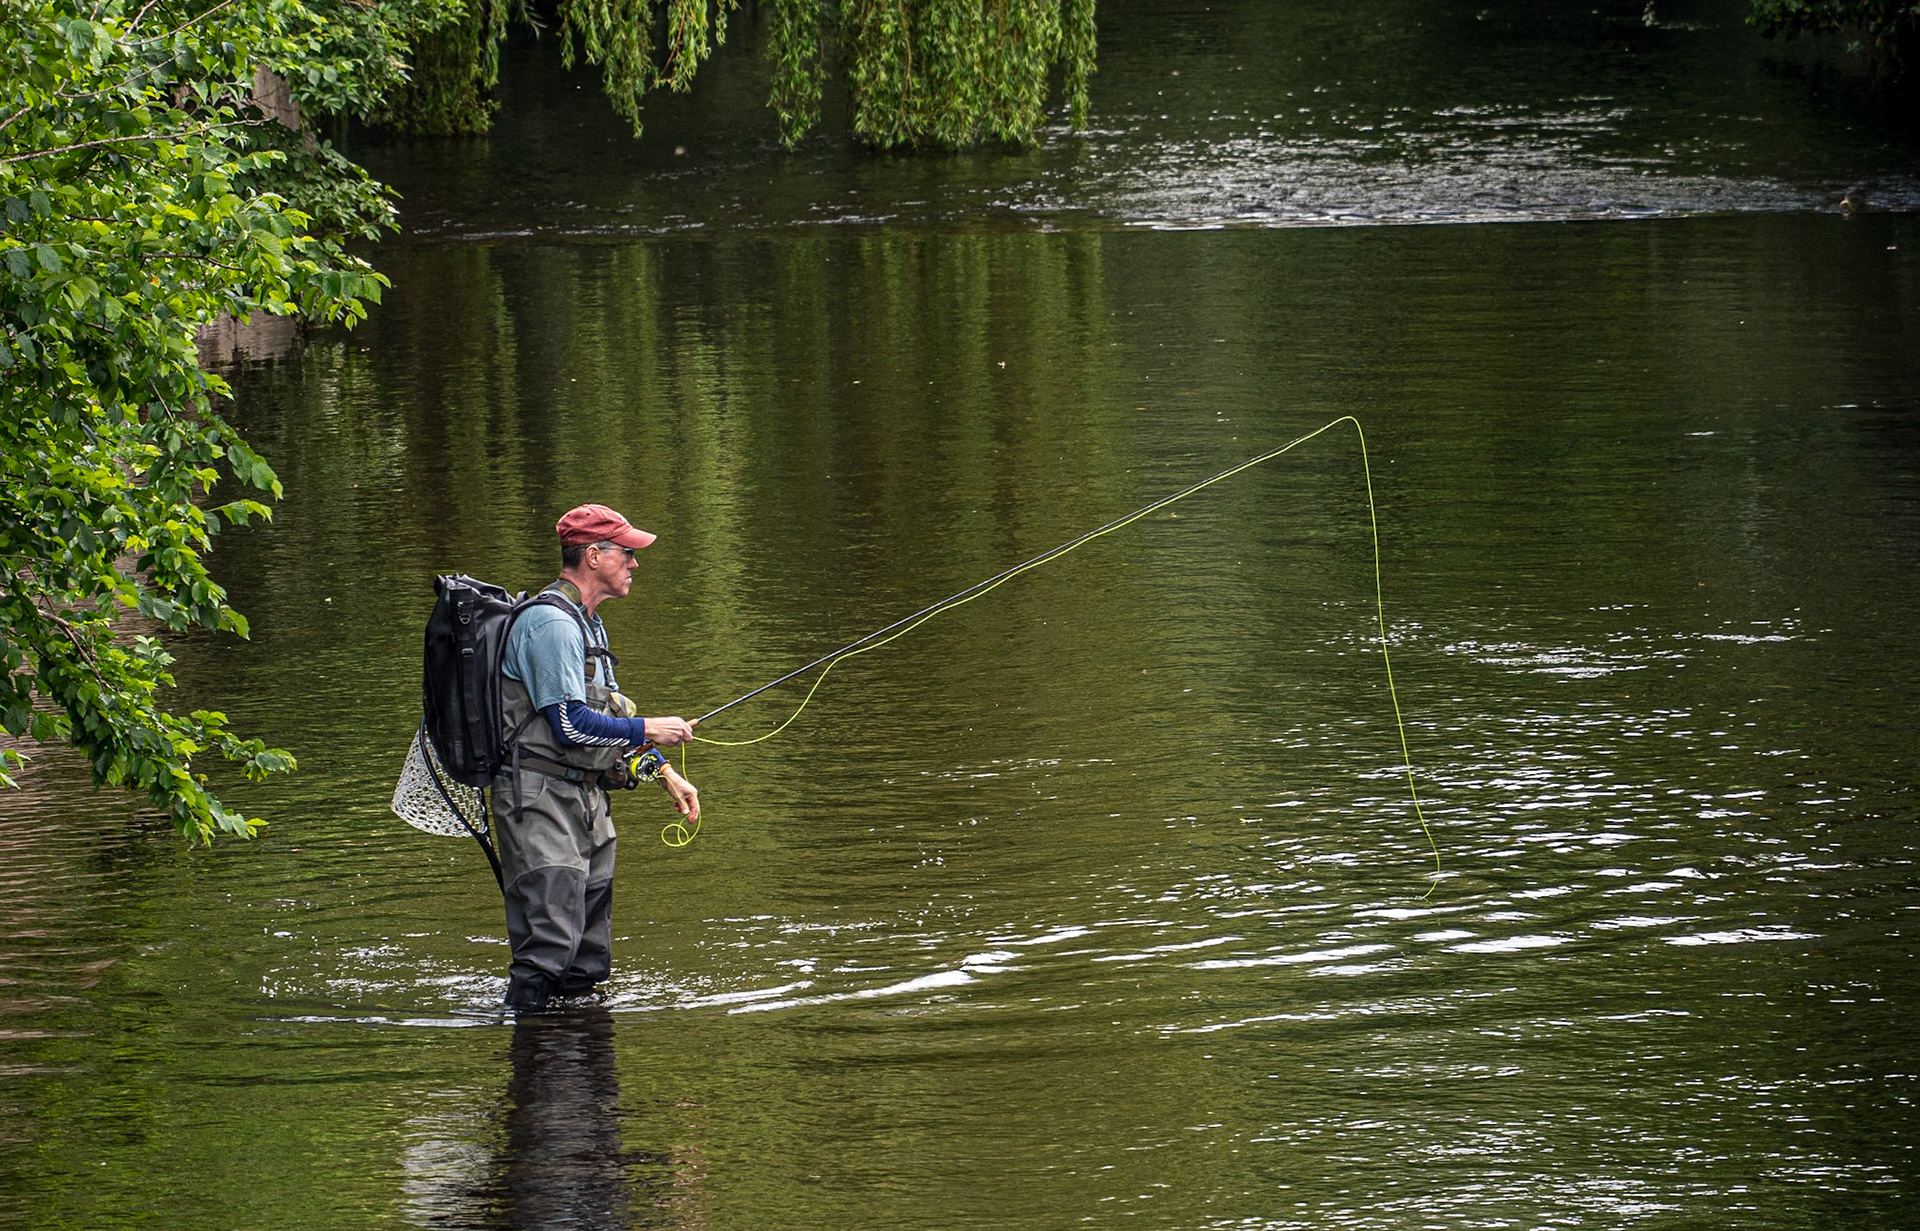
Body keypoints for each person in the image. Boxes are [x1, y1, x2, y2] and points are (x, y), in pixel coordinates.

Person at [491, 503, 700, 1012]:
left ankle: (585, 1073)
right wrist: (649, 726)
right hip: (539, 799)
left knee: (588, 956)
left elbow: (603, 719)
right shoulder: (551, 625)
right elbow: (568, 723)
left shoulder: (589, 625)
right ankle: (528, 1058)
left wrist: (663, 771)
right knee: (549, 947)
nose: (635, 563)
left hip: (584, 799)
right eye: (626, 553)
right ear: (593, 555)